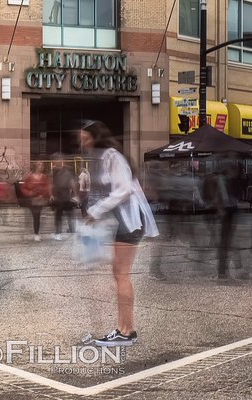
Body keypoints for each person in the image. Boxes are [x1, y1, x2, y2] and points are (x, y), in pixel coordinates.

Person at [81, 120, 158, 347]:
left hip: (131, 220)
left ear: (96, 137)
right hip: (128, 220)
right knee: (119, 273)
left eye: (85, 138)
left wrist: (96, 211)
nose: (82, 142)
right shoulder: (102, 159)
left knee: (121, 274)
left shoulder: (111, 156)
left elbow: (123, 190)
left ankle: (125, 332)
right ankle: (126, 330)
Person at [18, 163, 51, 240]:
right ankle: (34, 232)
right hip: (32, 200)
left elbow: (47, 187)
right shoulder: (29, 177)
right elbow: (23, 188)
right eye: (40, 165)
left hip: (40, 200)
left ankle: (36, 232)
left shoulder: (44, 177)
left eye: (42, 165)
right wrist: (30, 193)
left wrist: (43, 195)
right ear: (36, 166)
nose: (42, 166)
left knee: (37, 216)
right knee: (34, 216)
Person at [51, 160, 77, 239]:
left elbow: (72, 183)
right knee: (63, 215)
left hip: (63, 197)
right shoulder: (55, 173)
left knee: (63, 215)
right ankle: (61, 232)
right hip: (60, 198)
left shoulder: (64, 173)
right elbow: (50, 184)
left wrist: (75, 194)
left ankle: (62, 233)